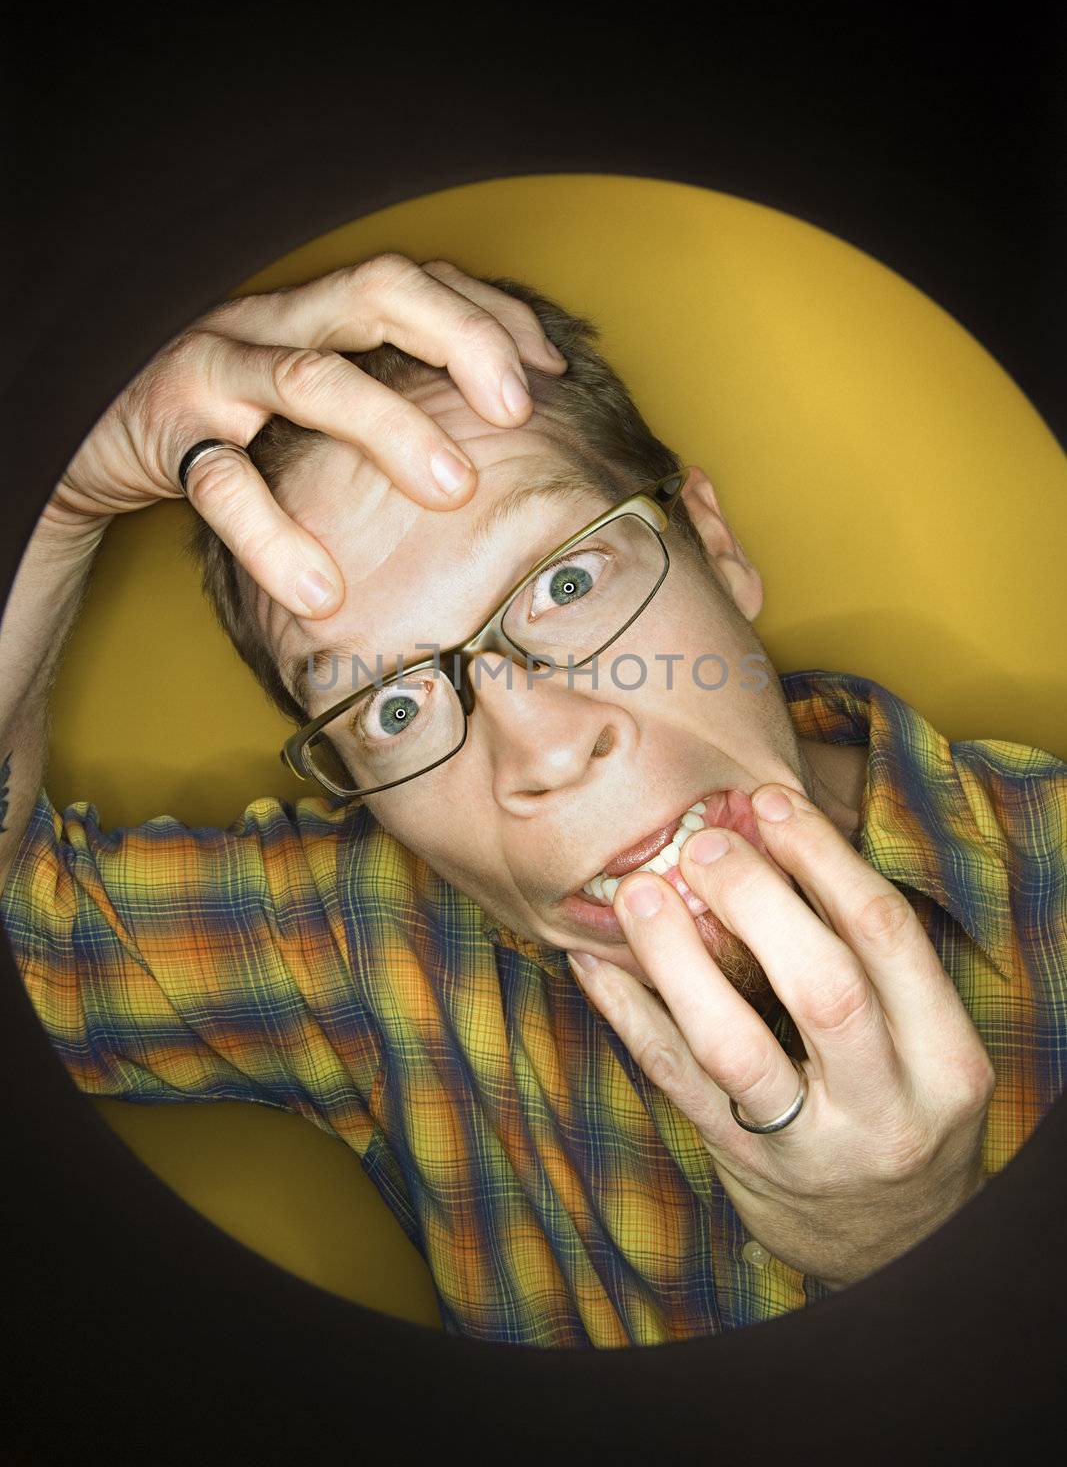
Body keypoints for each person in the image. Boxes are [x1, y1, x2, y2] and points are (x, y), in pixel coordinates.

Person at [1, 253, 1063, 1347]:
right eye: (390, 705)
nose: (542, 750)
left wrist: (914, 1253)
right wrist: (53, 486)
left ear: (713, 545)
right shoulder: (368, 937)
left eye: (563, 582)